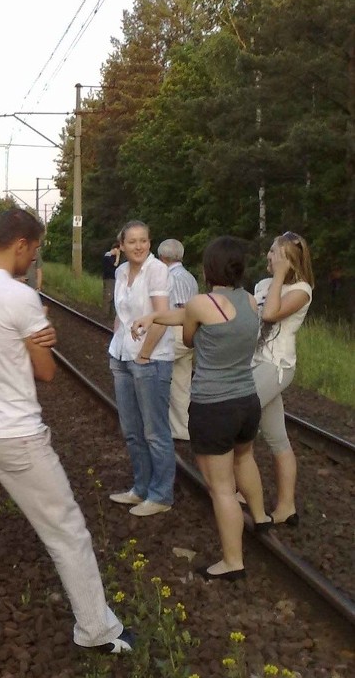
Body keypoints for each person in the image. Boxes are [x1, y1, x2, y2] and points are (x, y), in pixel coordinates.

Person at [0, 209, 133, 658]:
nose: (34, 258)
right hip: (16, 437)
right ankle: (96, 629)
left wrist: (30, 337)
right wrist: (43, 338)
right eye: (34, 250)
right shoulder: (19, 297)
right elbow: (46, 372)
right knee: (67, 530)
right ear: (20, 244)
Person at [134, 237, 262, 580]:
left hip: (214, 406)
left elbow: (189, 335)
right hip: (248, 401)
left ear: (209, 268)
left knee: (221, 488)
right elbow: (182, 314)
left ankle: (233, 561)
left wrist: (158, 318)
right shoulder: (250, 301)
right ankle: (261, 517)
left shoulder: (203, 303)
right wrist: (154, 316)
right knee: (245, 457)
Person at [241, 231, 314, 526]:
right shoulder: (262, 284)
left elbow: (270, 314)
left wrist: (281, 276)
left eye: (275, 253)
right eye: (271, 252)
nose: (269, 257)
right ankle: (287, 508)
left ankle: (242, 492)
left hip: (276, 366)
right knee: (276, 437)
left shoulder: (302, 290)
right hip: (254, 363)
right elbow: (252, 318)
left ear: (289, 260)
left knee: (238, 418)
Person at [108, 220, 176, 516]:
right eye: (132, 241)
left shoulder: (157, 270)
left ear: (150, 243)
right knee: (132, 430)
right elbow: (121, 316)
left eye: (143, 241)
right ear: (121, 245)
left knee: (155, 432)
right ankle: (141, 489)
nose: (138, 246)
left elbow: (161, 315)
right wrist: (116, 345)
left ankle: (161, 495)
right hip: (122, 356)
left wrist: (144, 356)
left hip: (151, 358)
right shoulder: (121, 271)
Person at [157, 239, 199, 441]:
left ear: (162, 257)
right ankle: (181, 429)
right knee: (181, 383)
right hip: (189, 335)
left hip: (177, 334)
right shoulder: (190, 277)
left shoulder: (174, 278)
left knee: (148, 369)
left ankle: (153, 425)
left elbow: (182, 310)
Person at [102, 242, 121, 317]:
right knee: (108, 296)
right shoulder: (108, 256)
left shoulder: (112, 257)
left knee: (113, 297)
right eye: (118, 250)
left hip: (114, 278)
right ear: (115, 249)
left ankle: (112, 315)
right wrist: (118, 256)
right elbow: (115, 265)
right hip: (109, 278)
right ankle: (105, 314)